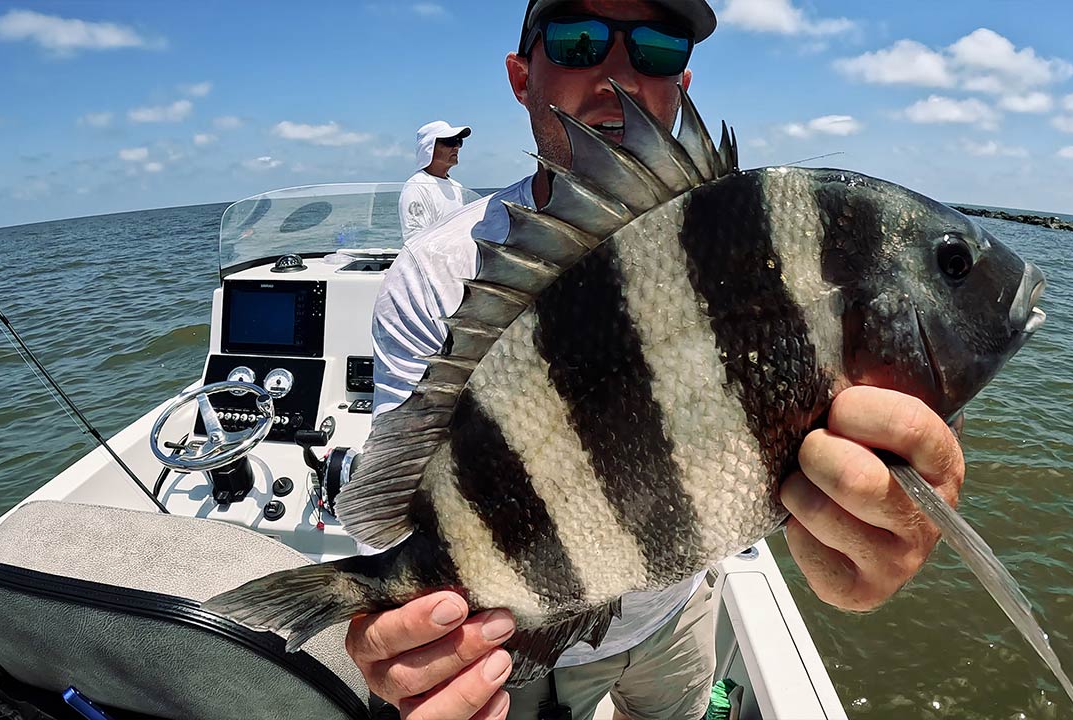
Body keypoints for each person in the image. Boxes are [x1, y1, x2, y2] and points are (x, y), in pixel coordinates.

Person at [358, 2, 967, 719]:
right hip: (496, 634)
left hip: (670, 616)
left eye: (654, 45)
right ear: (522, 77)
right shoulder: (433, 275)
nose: (619, 75)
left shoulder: (741, 251)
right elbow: (402, 514)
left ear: (682, 80)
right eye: (578, 40)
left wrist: (881, 517)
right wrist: (397, 634)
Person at [399, 120, 473, 242]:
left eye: (459, 141)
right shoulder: (417, 186)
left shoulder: (457, 187)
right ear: (428, 147)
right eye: (450, 141)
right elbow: (415, 240)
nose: (456, 147)